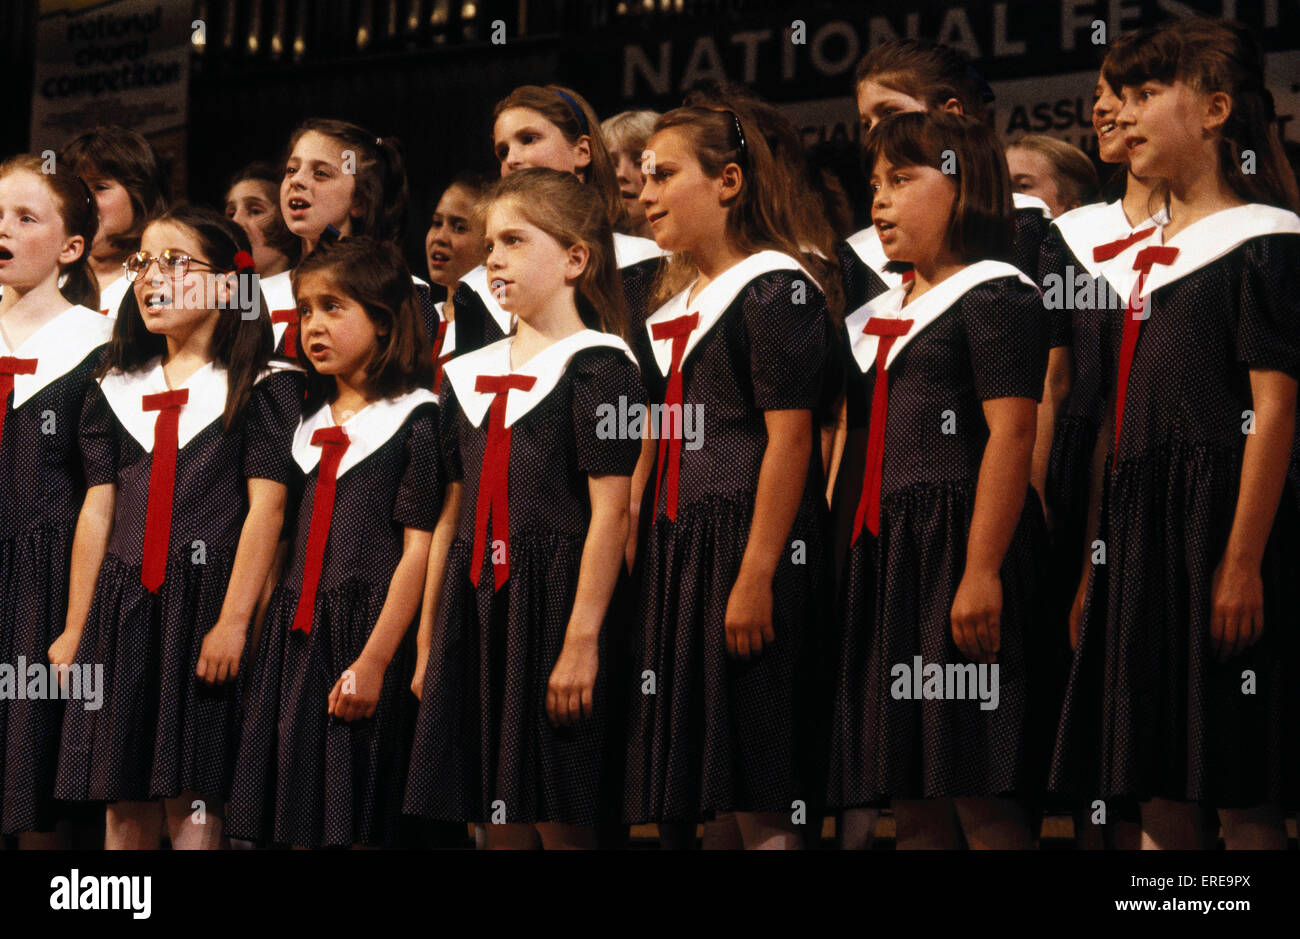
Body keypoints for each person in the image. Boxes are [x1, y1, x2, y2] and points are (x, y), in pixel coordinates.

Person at [1050, 18, 1300, 850]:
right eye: (1116, 95)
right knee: (1152, 775)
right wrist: (1096, 564)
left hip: (1224, 523)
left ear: (1217, 109)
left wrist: (1242, 559)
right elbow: (1118, 430)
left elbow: (1275, 411)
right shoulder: (1143, 258)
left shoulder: (1263, 243)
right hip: (1139, 528)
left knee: (1241, 778)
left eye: (1147, 93)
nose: (1122, 114)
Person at [826, 111, 1047, 850]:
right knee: (914, 795)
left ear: (962, 184)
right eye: (874, 185)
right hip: (896, 560)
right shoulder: (886, 312)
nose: (879, 202)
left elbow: (1013, 434)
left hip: (960, 545)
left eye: (900, 180)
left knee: (978, 786)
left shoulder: (996, 294)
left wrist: (981, 568)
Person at [405, 168, 643, 849]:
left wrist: (582, 640)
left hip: (557, 601)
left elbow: (612, 514)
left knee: (561, 813)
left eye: (513, 240)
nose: (494, 258)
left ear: (574, 257)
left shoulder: (602, 368)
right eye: (490, 243)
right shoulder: (468, 374)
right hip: (475, 601)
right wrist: (429, 639)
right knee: (495, 814)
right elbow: (450, 513)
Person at [53, 206, 302, 849]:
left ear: (227, 284)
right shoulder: (114, 384)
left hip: (205, 604)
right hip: (123, 604)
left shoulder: (263, 386)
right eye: (141, 262)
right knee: (121, 800)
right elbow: (98, 510)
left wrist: (235, 620)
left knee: (192, 800)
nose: (149, 277)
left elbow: (266, 512)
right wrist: (78, 625)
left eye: (173, 262)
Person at [623, 103, 833, 850]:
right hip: (682, 551)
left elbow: (790, 438)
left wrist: (757, 572)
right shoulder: (674, 307)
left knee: (762, 786)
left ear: (729, 180)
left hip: (747, 540)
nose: (644, 194)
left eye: (665, 175)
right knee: (709, 793)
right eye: (642, 177)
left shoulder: (778, 288)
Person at [226, 237, 439, 848]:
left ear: (381, 319)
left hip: (366, 628)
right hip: (295, 634)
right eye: (305, 310)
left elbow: (417, 554)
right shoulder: (303, 423)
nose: (313, 325)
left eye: (334, 308)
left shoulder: (416, 420)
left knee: (359, 808)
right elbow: (283, 540)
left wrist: (373, 661)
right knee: (294, 810)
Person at [0, 155, 110, 846]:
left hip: (43, 574)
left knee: (31, 774)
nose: (2, 229)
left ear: (71, 247)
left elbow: (104, 485)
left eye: (24, 218)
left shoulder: (95, 344)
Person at [58, 126, 169, 318]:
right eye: (74, 188)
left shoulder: (166, 282)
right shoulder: (46, 277)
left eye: (99, 187)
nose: (83, 199)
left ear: (141, 196)